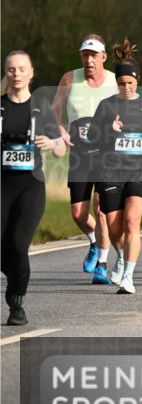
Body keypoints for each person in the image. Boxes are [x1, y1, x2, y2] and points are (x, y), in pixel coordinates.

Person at [90, 39, 142, 294]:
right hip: (110, 171)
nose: (127, 88)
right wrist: (108, 131)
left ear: (138, 81)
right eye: (122, 83)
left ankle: (129, 277)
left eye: (131, 83)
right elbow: (92, 137)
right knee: (114, 229)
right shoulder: (106, 105)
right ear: (116, 83)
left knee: (132, 222)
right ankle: (120, 256)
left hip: (139, 170)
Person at [2, 51, 66, 325]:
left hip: (31, 187)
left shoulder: (40, 108)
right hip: (2, 185)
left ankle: (17, 303)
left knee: (18, 244)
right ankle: (15, 274)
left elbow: (62, 148)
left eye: (21, 69)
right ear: (6, 73)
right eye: (11, 70)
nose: (16, 74)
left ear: (31, 73)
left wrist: (51, 144)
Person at [51, 35, 119, 283]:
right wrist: (61, 132)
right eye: (85, 55)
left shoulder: (114, 80)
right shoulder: (70, 79)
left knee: (101, 210)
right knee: (78, 214)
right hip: (80, 155)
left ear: (103, 57)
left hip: (107, 155)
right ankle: (93, 242)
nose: (89, 60)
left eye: (93, 55)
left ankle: (102, 264)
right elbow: (55, 110)